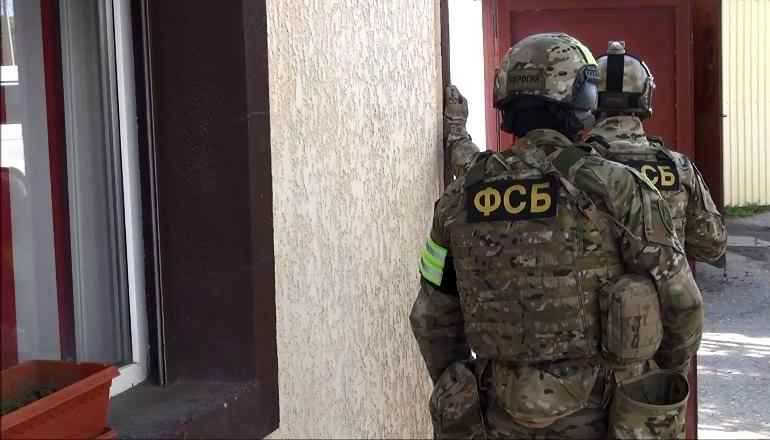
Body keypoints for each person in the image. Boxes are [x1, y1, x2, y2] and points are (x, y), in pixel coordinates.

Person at [411, 32, 703, 439]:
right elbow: (683, 305)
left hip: (496, 418)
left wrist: (462, 391)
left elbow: (430, 317)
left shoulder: (459, 198)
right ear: (581, 99)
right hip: (605, 416)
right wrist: (658, 379)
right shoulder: (618, 188)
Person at [587, 40, 727, 264]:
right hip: (666, 285)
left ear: (590, 98)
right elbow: (712, 245)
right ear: (646, 96)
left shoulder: (571, 164)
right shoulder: (678, 167)